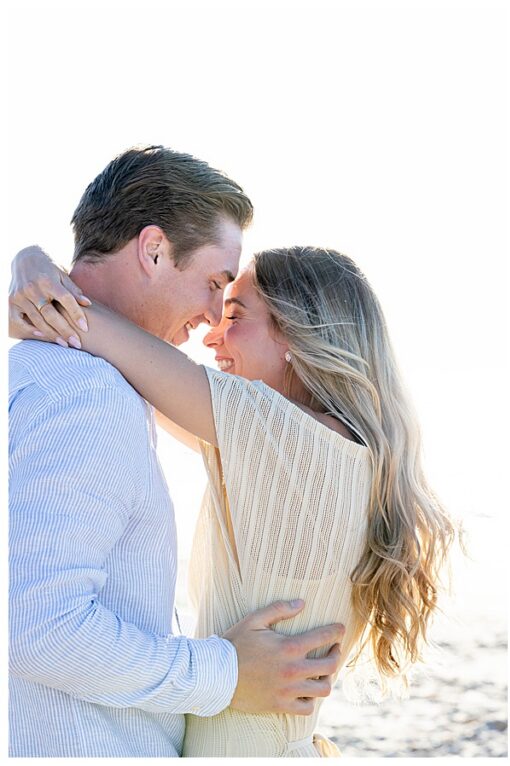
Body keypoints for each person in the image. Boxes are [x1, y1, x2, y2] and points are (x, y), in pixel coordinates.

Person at [11, 241, 458, 756]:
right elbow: (125, 367)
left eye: (236, 316)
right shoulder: (331, 452)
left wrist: (32, 269)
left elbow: (88, 329)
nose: (213, 337)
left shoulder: (287, 438)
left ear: (296, 333)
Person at [8, 147, 346, 757]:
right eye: (216, 283)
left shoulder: (62, 375)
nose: (214, 317)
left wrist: (33, 265)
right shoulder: (87, 393)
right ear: (154, 249)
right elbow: (43, 629)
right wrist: (226, 675)